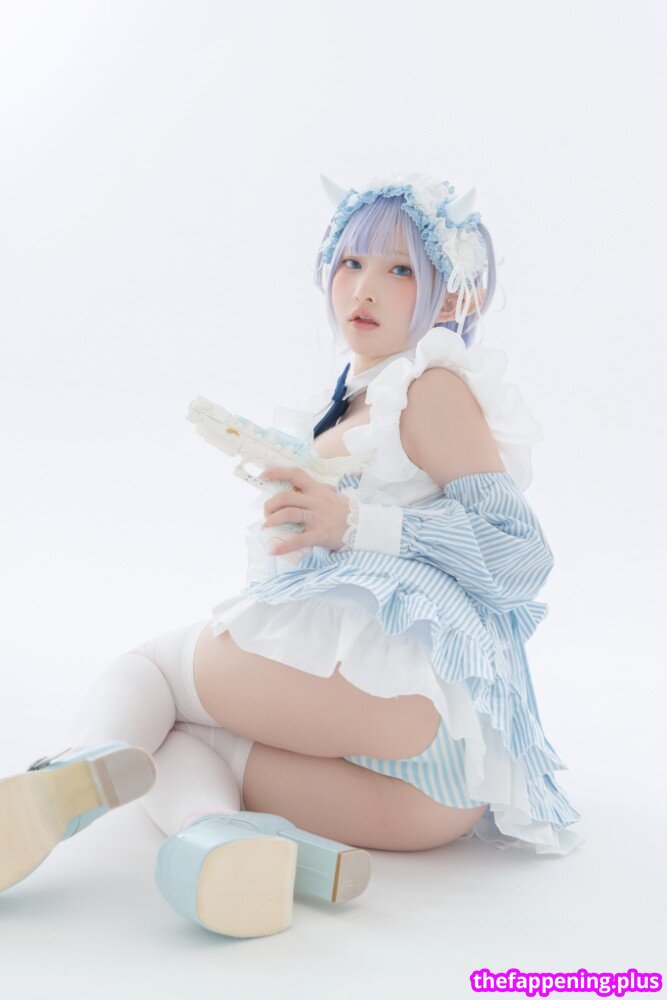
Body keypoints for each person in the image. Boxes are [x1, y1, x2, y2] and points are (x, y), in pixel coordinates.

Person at [0, 170, 583, 941]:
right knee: (182, 740)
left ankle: (65, 775)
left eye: (399, 270)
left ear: (449, 300)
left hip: (409, 697)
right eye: (351, 262)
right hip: (430, 802)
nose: (363, 288)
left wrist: (357, 523)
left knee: (151, 673)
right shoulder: (360, 395)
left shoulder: (428, 386)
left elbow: (519, 553)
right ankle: (214, 845)